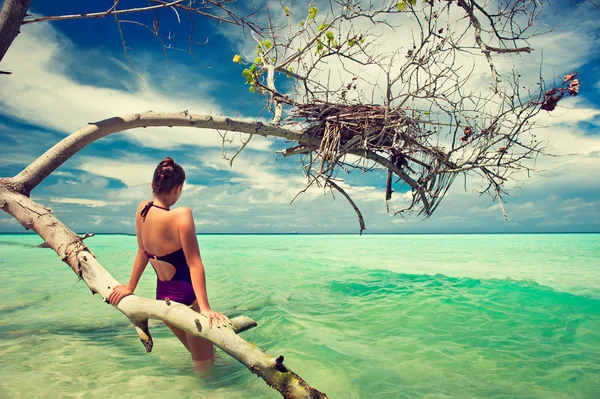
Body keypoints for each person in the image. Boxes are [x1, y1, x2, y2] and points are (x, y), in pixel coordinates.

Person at [107, 157, 231, 373]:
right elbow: (195, 264)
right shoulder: (182, 215)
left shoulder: (142, 209)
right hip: (187, 300)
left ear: (153, 185)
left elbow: (142, 253)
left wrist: (130, 287)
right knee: (206, 371)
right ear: (178, 188)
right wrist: (204, 308)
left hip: (163, 300)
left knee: (208, 357)